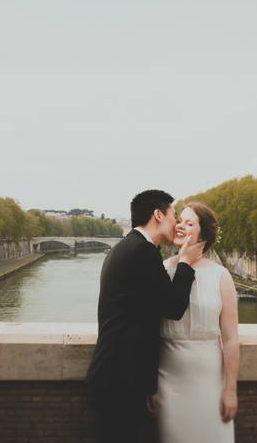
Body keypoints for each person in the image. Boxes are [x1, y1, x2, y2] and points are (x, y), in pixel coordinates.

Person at [85, 189, 205, 442]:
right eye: (174, 216)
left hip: (115, 374)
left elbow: (142, 317)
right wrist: (184, 262)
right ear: (158, 215)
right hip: (120, 380)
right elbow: (173, 307)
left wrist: (149, 384)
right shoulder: (143, 252)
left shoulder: (127, 248)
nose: (177, 224)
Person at [156, 201, 239, 443]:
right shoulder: (161, 270)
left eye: (188, 223)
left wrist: (231, 390)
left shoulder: (221, 277)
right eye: (179, 220)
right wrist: (150, 385)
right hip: (167, 381)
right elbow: (149, 331)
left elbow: (231, 338)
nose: (180, 226)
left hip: (210, 382)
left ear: (203, 233)